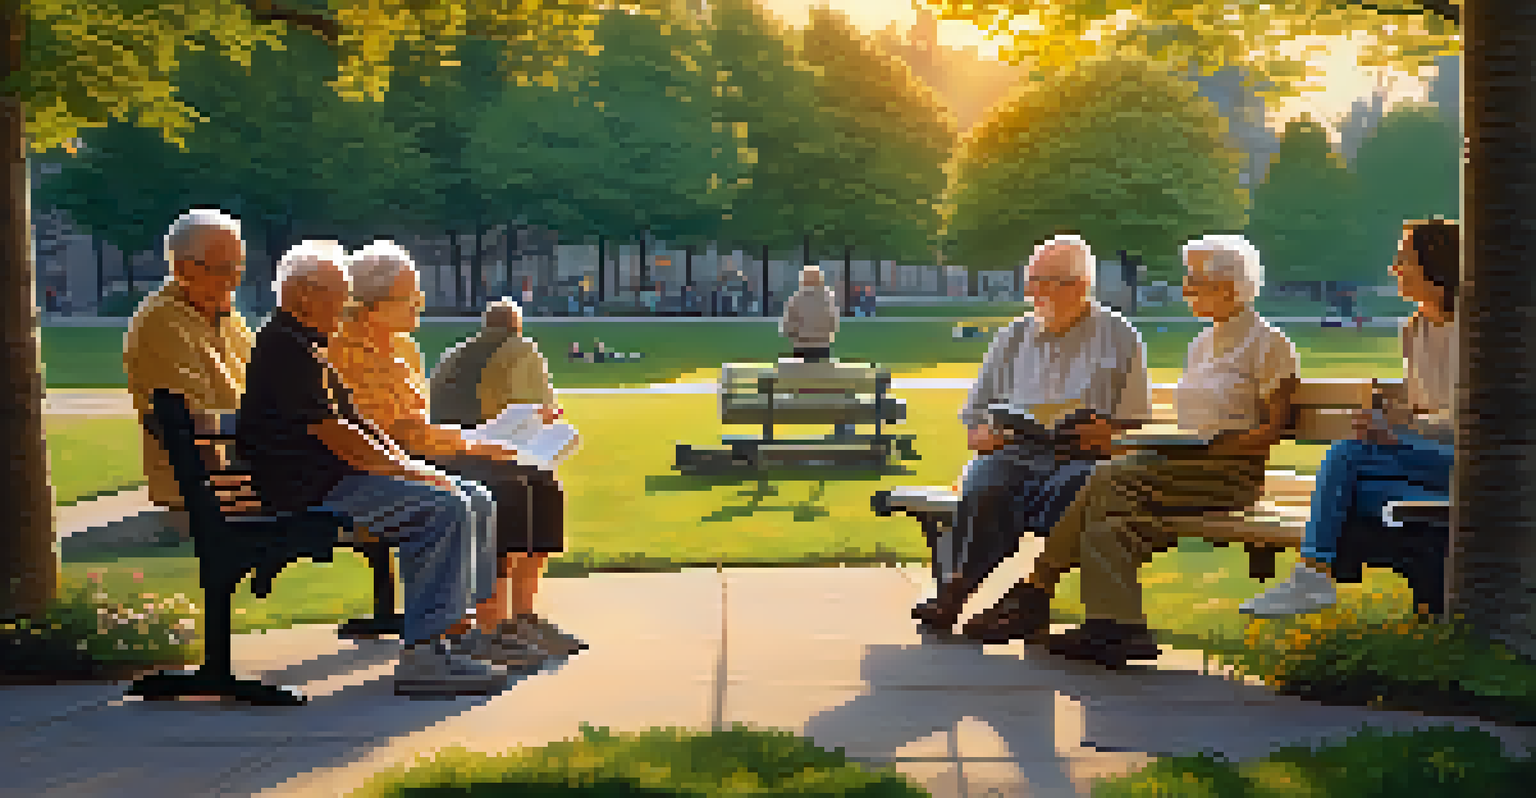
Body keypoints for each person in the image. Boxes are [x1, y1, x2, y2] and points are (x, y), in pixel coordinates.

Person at [983, 234, 1299, 668]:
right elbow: (1192, 423)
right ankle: (1117, 630)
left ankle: (1037, 588)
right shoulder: (1202, 344)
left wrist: (1216, 446)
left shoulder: (1269, 344)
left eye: (1194, 281)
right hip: (1182, 466)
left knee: (1106, 477)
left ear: (1228, 285)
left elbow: (1273, 430)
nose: (1185, 289)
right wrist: (1156, 439)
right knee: (1110, 521)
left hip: (1229, 475)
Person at [235, 240, 509, 696]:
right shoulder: (284, 347)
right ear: (302, 293)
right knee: (444, 507)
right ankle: (424, 653)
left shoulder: (311, 345)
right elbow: (338, 438)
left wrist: (406, 466)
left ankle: (456, 634)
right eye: (338, 294)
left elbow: (358, 425)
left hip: (334, 479)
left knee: (476, 497)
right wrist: (414, 473)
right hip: (310, 488)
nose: (346, 306)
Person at [919, 235, 1151, 642]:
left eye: (1043, 281)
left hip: (1081, 455)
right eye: (1030, 280)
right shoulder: (1013, 336)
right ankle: (956, 589)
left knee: (1077, 490)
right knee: (985, 482)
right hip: (1014, 449)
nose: (1031, 291)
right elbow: (977, 410)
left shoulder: (1119, 335)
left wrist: (1108, 432)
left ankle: (1029, 600)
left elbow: (1133, 420)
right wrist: (981, 434)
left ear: (1079, 285)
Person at [1241, 219, 1458, 618]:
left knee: (1346, 456)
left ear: (1435, 266)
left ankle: (1312, 574)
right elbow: (1421, 407)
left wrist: (1395, 434)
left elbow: (1474, 425)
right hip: (1421, 459)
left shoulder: (1480, 332)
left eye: (1403, 260)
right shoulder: (1415, 330)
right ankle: (1315, 576)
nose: (1394, 269)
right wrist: (1393, 420)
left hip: (1468, 466)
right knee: (1357, 493)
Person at [427, 296, 577, 650]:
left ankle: (507, 620)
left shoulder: (452, 355)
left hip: (447, 452)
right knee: (537, 494)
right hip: (487, 455)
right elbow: (542, 409)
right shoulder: (520, 350)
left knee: (530, 492)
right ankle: (510, 620)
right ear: (517, 326)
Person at [124, 209, 256, 541]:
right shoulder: (161, 322)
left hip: (243, 475)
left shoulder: (229, 319)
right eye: (223, 269)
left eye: (239, 267)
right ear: (183, 268)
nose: (234, 279)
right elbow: (199, 424)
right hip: (207, 488)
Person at [780, 266, 840, 361]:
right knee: (821, 373)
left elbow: (788, 325)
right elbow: (833, 322)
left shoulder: (796, 299)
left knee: (802, 374)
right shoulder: (828, 298)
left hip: (801, 344)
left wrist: (795, 335)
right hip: (822, 345)